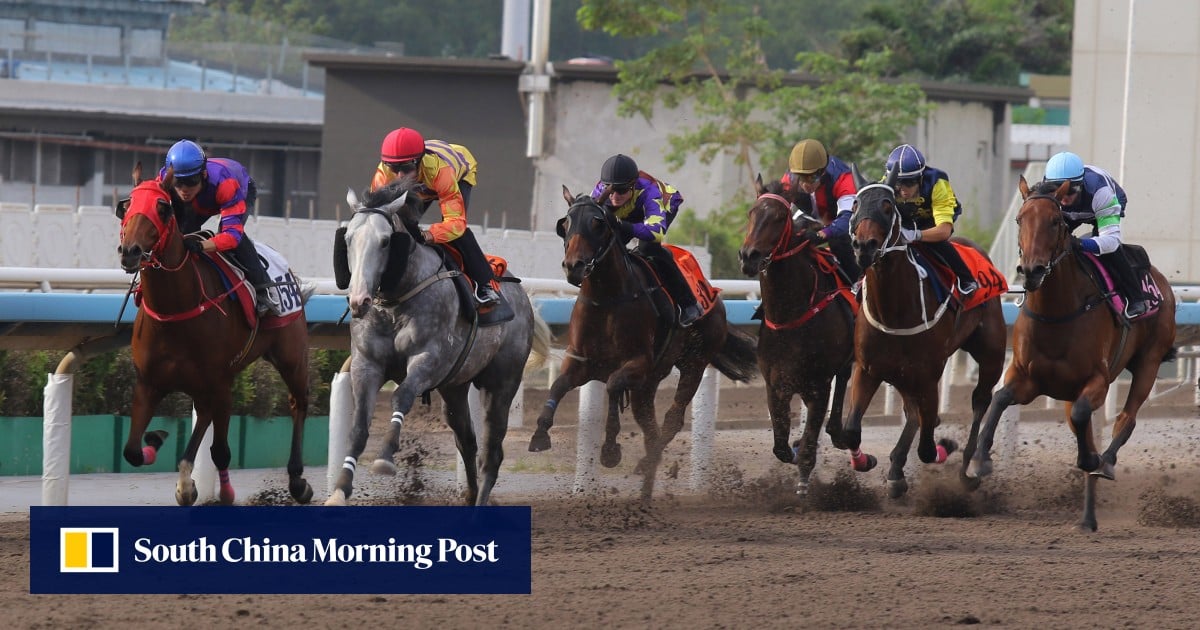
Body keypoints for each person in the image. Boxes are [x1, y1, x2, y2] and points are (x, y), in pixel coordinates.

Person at [370, 127, 499, 307]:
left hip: (459, 172)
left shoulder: (441, 172)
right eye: (394, 168)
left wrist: (428, 235)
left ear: (419, 162)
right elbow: (376, 217)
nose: (399, 175)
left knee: (456, 233)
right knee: (400, 224)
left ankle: (484, 284)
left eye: (405, 168)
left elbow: (456, 223)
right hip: (423, 182)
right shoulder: (383, 174)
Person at [158, 139, 274, 310]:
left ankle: (263, 287)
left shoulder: (226, 185)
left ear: (203, 175)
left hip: (236, 190)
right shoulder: (162, 179)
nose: (184, 189)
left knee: (229, 240)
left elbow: (232, 236)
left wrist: (200, 245)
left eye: (191, 181)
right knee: (181, 232)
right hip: (202, 199)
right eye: (178, 182)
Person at [590, 154, 703, 327]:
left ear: (633, 186)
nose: (614, 197)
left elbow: (655, 232)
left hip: (663, 205)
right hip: (630, 210)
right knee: (608, 246)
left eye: (621, 191)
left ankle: (688, 304)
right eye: (611, 190)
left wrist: (621, 224)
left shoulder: (651, 191)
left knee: (649, 248)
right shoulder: (598, 192)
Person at [1042, 151, 1148, 318]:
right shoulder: (1046, 192)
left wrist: (1080, 244)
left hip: (1100, 208)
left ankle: (1136, 298)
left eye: (1070, 191)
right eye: (1058, 191)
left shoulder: (1101, 192)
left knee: (1110, 252)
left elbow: (1111, 241)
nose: (1063, 198)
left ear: (1081, 185)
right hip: (1072, 212)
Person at [886, 143, 979, 295]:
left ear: (920, 178)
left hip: (932, 220)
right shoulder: (886, 183)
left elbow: (943, 231)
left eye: (909, 183)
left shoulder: (937, 183)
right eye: (897, 183)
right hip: (905, 219)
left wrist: (916, 235)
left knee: (939, 244)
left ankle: (966, 279)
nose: (903, 189)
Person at [778, 139, 861, 281]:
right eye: (801, 177)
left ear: (823, 171)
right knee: (791, 236)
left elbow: (847, 219)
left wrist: (822, 234)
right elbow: (779, 211)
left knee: (838, 241)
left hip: (848, 223)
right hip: (813, 218)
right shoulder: (789, 179)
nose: (805, 184)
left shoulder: (843, 178)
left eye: (812, 177)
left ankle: (856, 284)